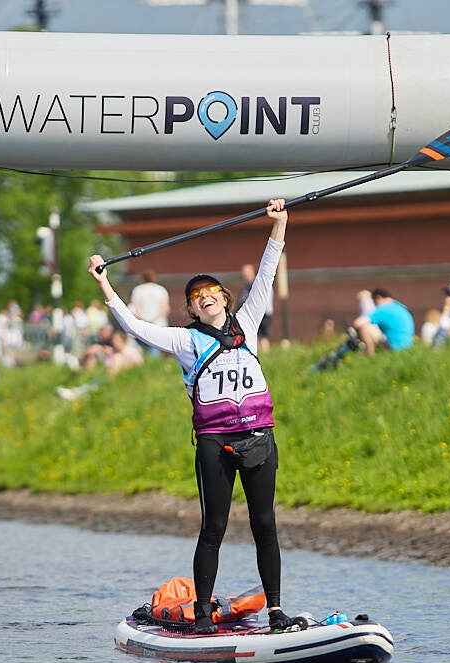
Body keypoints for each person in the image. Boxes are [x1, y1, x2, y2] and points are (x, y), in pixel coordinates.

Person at [87, 198, 296, 634]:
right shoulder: (184, 341)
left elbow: (267, 273)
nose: (204, 299)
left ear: (224, 298)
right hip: (215, 443)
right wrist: (106, 287)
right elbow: (135, 328)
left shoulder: (249, 319)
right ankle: (202, 613)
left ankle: (276, 610)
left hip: (259, 438)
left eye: (210, 293)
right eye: (196, 298)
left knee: (265, 525)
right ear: (192, 309)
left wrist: (278, 226)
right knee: (214, 528)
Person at [349, 287, 414, 355]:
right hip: (408, 346)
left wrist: (354, 333)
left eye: (374, 302)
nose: (375, 306)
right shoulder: (401, 307)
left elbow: (357, 323)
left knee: (364, 327)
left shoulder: (383, 309)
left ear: (378, 298)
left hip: (394, 346)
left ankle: (368, 354)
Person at [128, 269, 170, 354]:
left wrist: (144, 319)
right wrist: (153, 319)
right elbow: (165, 309)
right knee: (155, 347)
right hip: (158, 324)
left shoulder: (137, 290)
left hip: (141, 324)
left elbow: (135, 308)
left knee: (140, 349)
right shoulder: (161, 290)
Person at [239, 262, 273, 351]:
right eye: (244, 273)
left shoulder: (259, 285)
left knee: (263, 336)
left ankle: (266, 354)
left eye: (247, 272)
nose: (245, 275)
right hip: (249, 315)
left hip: (263, 314)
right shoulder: (245, 287)